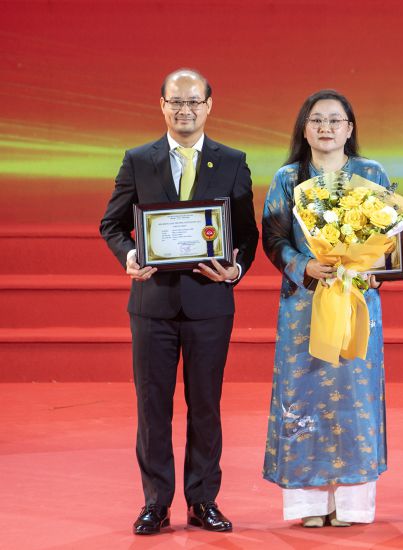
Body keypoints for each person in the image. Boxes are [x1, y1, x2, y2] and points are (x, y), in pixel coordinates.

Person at [100, 68, 258, 535]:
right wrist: (129, 254)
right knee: (153, 407)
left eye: (194, 102)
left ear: (210, 105)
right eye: (176, 102)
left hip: (210, 303)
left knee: (206, 406)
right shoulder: (137, 160)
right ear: (162, 105)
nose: (184, 110)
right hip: (152, 305)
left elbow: (245, 234)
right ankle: (156, 503)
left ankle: (203, 500)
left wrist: (236, 269)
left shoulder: (232, 160)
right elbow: (111, 224)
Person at [261, 89, 390, 527]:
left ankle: (353, 503)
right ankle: (311, 504)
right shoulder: (286, 178)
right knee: (306, 398)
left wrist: (376, 270)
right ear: (304, 128)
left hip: (355, 301)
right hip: (304, 304)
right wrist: (305, 265)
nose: (326, 128)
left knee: (354, 398)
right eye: (317, 120)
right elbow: (273, 238)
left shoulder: (371, 173)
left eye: (335, 121)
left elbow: (390, 239)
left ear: (349, 129)